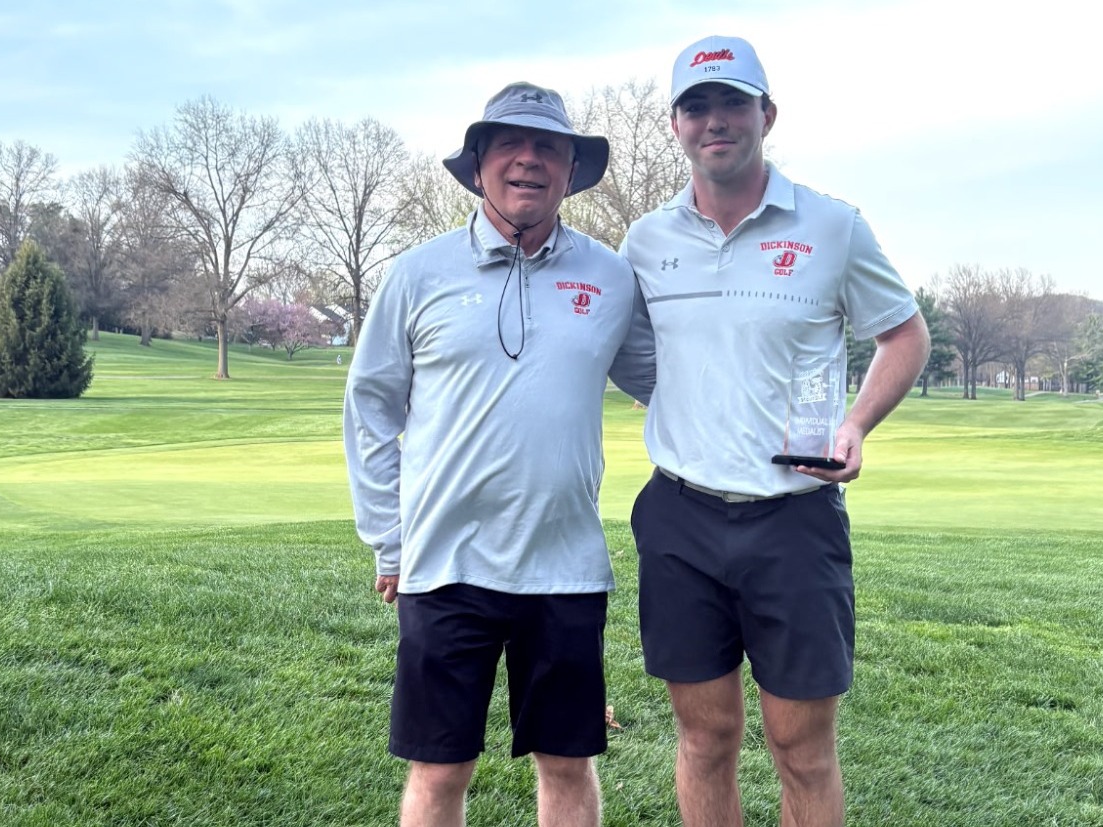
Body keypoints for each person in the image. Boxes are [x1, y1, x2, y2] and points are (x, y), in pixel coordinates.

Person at [619, 36, 932, 827]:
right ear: (673, 124)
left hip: (793, 518)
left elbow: (904, 334)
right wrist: (676, 396)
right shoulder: (646, 242)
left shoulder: (831, 225)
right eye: (696, 106)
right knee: (704, 737)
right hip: (679, 517)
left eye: (731, 102)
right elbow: (625, 352)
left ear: (767, 113)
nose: (713, 121)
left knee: (801, 748)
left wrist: (857, 422)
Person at [343, 81, 652, 827]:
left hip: (566, 567)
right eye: (509, 144)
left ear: (571, 169)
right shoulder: (417, 273)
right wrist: (388, 538)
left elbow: (665, 381)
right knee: (440, 766)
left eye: (548, 146)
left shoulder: (609, 277)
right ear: (478, 164)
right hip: (445, 563)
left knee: (566, 762)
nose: (528, 160)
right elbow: (370, 406)